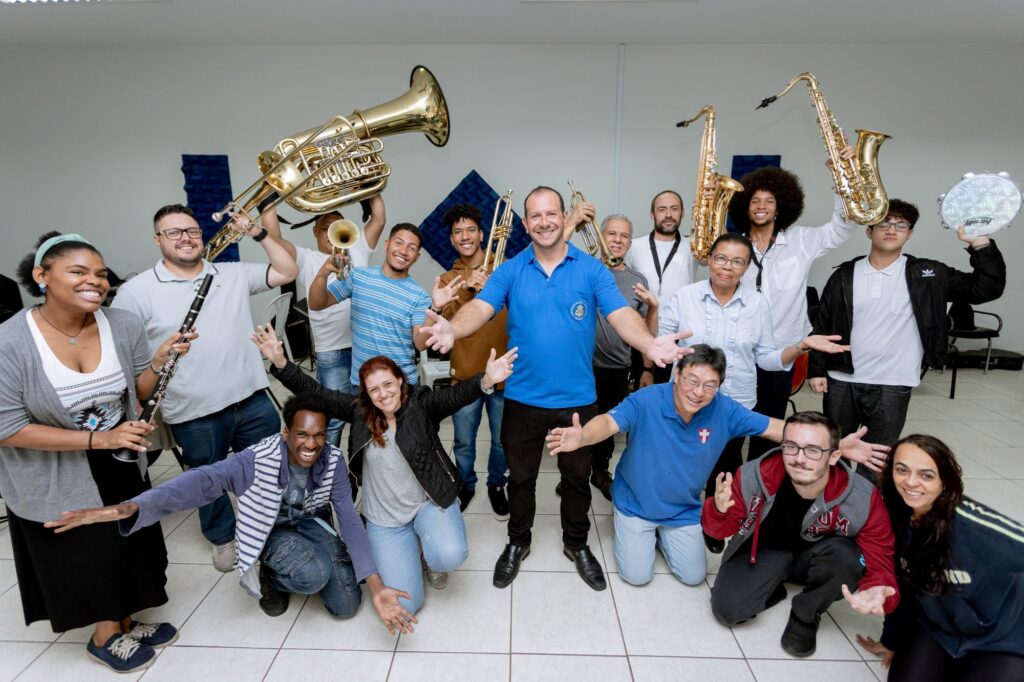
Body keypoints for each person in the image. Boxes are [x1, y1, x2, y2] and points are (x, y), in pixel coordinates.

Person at [420, 185, 692, 592]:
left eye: (552, 214)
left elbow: (620, 316)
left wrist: (649, 344)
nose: (544, 222)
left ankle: (577, 544)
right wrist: (450, 327)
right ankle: (517, 541)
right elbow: (481, 307)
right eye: (536, 216)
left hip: (577, 402)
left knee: (577, 480)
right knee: (521, 480)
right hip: (522, 400)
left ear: (563, 218)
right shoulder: (511, 269)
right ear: (526, 224)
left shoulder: (591, 269)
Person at [47, 393, 419, 635]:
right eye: (302, 435)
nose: (311, 444)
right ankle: (270, 576)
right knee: (314, 573)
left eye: (319, 435)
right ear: (286, 431)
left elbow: (349, 520)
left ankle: (313, 561)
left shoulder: (332, 460)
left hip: (308, 523)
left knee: (347, 606)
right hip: (269, 530)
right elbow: (201, 481)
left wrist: (377, 587)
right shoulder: (254, 460)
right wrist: (137, 505)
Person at [0, 232, 191, 672]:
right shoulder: (10, 342)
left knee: (130, 543)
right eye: (79, 272)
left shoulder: (121, 323)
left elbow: (138, 390)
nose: (95, 282)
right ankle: (105, 636)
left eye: (102, 274)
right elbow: (8, 428)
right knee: (90, 553)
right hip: (57, 470)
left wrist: (159, 360)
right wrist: (98, 439)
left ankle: (125, 621)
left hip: (120, 456)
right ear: (41, 276)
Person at [546, 346, 888, 592]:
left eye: (710, 385)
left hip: (683, 508)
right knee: (637, 577)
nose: (699, 392)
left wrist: (836, 446)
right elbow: (607, 423)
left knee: (694, 577)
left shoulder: (725, 409)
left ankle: (666, 536)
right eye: (692, 380)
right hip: (635, 503)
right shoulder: (646, 399)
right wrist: (581, 437)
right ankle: (642, 530)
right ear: (676, 374)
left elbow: (777, 429)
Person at [254, 324, 517, 615]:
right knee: (407, 603)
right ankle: (411, 549)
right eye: (374, 389)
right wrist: (280, 363)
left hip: (427, 502)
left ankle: (430, 554)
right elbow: (315, 392)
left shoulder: (422, 404)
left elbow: (455, 397)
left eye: (388, 384)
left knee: (449, 555)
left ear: (401, 382)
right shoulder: (358, 412)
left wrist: (486, 380)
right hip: (385, 518)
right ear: (366, 394)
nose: (383, 394)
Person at [113, 204, 297, 572]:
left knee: (269, 471)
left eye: (192, 231)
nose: (185, 238)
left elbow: (287, 269)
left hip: (251, 397)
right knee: (206, 481)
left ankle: (272, 529)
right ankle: (223, 538)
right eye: (174, 232)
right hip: (193, 409)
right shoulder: (136, 292)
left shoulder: (229, 273)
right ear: (157, 240)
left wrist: (257, 233)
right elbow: (124, 354)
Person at [659, 232, 851, 552]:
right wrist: (670, 355)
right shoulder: (684, 297)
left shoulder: (757, 303)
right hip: (687, 401)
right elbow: (663, 348)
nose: (727, 267)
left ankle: (714, 520)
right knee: (682, 462)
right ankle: (672, 518)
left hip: (735, 401)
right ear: (709, 259)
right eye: (721, 258)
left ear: (747, 267)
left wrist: (800, 346)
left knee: (726, 466)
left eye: (738, 261)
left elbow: (766, 360)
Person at [809, 200, 1006, 475]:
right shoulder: (845, 274)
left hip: (894, 380)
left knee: (877, 461)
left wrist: (980, 244)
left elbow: (986, 288)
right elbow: (823, 324)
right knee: (834, 454)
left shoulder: (929, 274)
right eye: (884, 223)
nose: (892, 229)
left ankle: (866, 514)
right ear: (869, 231)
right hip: (843, 378)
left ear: (910, 233)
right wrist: (816, 369)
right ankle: (829, 512)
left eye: (901, 225)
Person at [703, 411, 899, 658]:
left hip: (824, 553)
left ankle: (806, 613)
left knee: (847, 558)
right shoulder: (754, 474)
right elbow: (717, 531)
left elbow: (880, 553)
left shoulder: (862, 496)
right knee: (727, 611)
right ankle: (775, 583)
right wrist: (719, 511)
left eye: (813, 450)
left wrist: (878, 587)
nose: (799, 459)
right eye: (791, 447)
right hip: (768, 550)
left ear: (834, 456)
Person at [856, 434, 1024, 680]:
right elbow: (902, 586)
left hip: (1000, 637)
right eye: (902, 470)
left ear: (945, 480)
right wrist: (891, 639)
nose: (911, 482)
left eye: (926, 475)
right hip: (938, 629)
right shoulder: (896, 516)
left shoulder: (974, 524)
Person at [727, 164, 858, 460]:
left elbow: (843, 227)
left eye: (769, 201)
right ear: (745, 207)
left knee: (771, 424)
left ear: (781, 206)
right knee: (733, 424)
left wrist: (841, 183)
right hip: (740, 350)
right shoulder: (734, 246)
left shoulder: (801, 240)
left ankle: (761, 484)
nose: (761, 207)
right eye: (755, 201)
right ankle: (730, 487)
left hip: (782, 350)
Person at [262, 197, 387, 446]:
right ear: (315, 231)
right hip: (332, 350)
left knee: (368, 412)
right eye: (325, 228)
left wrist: (369, 186)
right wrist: (269, 199)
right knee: (333, 418)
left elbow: (379, 219)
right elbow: (273, 238)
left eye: (337, 227)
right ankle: (325, 474)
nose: (332, 233)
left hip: (366, 347)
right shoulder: (306, 257)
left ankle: (358, 467)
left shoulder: (358, 247)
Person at [432, 203, 510, 518]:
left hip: (503, 372)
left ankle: (496, 483)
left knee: (503, 441)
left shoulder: (505, 269)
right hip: (464, 375)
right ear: (452, 240)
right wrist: (467, 291)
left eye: (470, 230)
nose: (464, 237)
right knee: (463, 442)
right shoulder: (446, 278)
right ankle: (465, 484)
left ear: (481, 233)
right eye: (457, 232)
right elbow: (448, 326)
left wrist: (488, 286)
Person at [307, 222, 431, 389]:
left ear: (417, 256)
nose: (403, 251)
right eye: (398, 242)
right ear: (386, 245)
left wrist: (435, 307)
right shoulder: (358, 276)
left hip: (402, 385)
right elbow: (316, 304)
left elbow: (420, 343)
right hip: (363, 384)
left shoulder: (420, 295)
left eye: (411, 247)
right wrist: (323, 274)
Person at [588, 213, 658, 500]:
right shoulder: (585, 270)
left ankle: (600, 472)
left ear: (630, 242)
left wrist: (648, 369)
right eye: (612, 234)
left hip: (616, 367)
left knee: (607, 424)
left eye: (624, 235)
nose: (617, 240)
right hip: (580, 365)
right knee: (577, 421)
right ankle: (576, 473)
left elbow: (645, 331)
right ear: (601, 237)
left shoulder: (637, 281)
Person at [624, 190, 694, 386]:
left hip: (678, 337)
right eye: (662, 209)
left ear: (683, 212)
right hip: (641, 334)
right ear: (652, 214)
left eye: (674, 209)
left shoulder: (694, 247)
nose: (669, 214)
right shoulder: (634, 246)